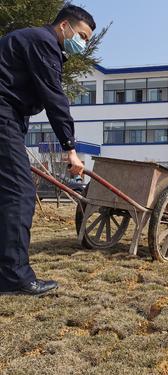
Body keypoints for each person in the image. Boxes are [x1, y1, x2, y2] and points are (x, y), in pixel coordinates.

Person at [0, 5, 95, 295]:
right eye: (81, 35)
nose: (83, 43)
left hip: (10, 115)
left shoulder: (28, 40)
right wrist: (70, 149)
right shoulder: (44, 42)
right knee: (20, 192)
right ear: (64, 26)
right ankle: (14, 277)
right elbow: (54, 97)